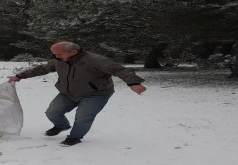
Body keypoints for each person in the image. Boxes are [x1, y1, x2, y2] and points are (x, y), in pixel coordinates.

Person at [8, 41, 147, 146]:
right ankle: (61, 125)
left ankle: (75, 137)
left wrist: (133, 83)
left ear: (73, 52)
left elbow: (119, 70)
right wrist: (20, 76)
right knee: (52, 112)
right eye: (54, 54)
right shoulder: (59, 60)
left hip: (95, 94)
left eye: (58, 54)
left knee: (83, 117)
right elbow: (42, 69)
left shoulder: (96, 60)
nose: (55, 57)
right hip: (68, 93)